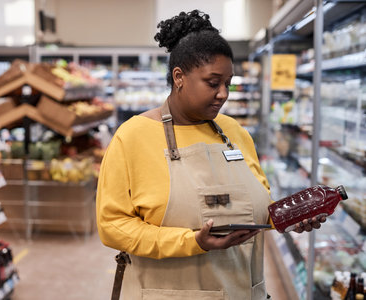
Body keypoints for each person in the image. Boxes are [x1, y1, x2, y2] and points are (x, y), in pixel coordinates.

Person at [96, 10, 324, 300]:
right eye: (213, 83)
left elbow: (258, 201)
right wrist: (191, 242)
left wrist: (287, 216)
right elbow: (112, 227)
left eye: (228, 83)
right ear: (179, 76)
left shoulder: (234, 132)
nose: (224, 94)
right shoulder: (132, 137)